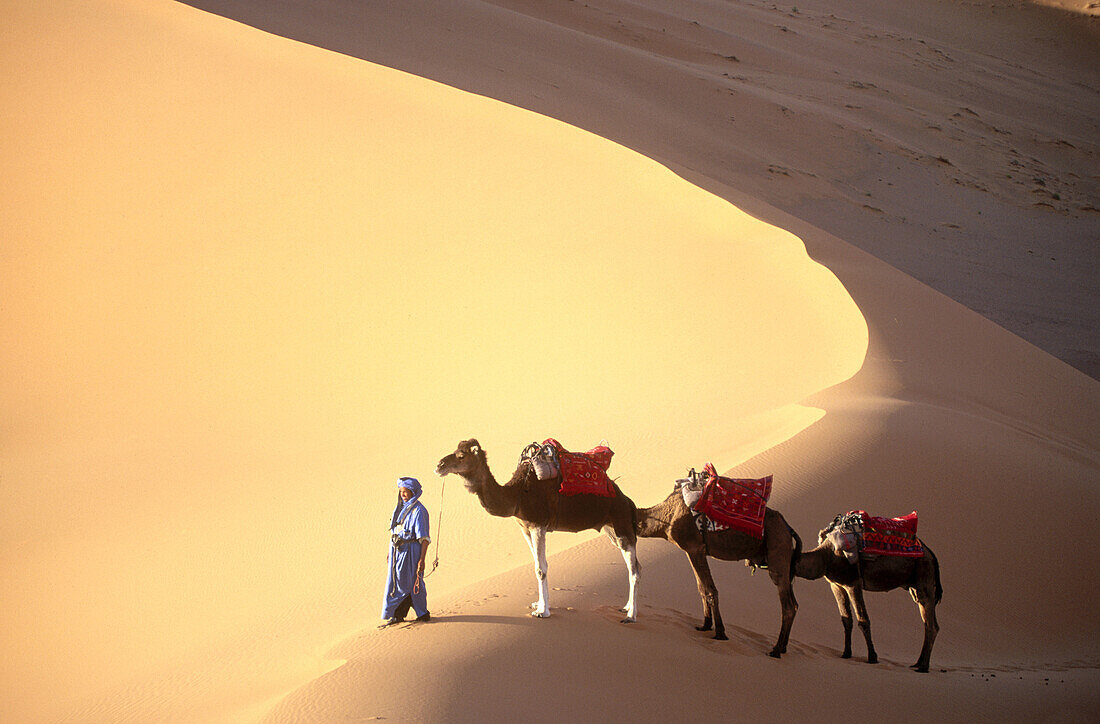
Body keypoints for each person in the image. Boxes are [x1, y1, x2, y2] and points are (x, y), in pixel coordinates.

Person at [381, 476, 430, 626]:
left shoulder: (419, 511)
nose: (402, 494)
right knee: (396, 582)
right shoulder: (400, 508)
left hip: (411, 552)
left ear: (412, 492)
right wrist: (390, 551)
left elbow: (424, 538)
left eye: (406, 491)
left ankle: (403, 614)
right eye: (401, 491)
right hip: (397, 552)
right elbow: (395, 530)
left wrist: (422, 559)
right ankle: (409, 613)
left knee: (410, 582)